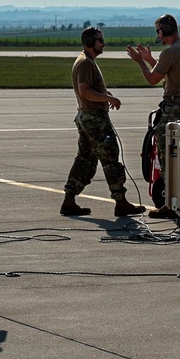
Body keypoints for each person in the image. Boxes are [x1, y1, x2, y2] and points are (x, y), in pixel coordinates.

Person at [61, 27, 146, 218]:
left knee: (85, 159)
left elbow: (89, 89)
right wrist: (108, 99)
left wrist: (104, 94)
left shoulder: (87, 61)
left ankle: (69, 200)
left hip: (87, 117)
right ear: (90, 42)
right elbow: (84, 90)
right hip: (94, 119)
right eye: (100, 40)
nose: (103, 43)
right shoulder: (85, 64)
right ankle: (121, 202)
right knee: (110, 158)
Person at [126, 14, 180, 218]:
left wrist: (141, 62)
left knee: (168, 153)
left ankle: (170, 203)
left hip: (175, 106)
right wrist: (150, 59)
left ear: (164, 31)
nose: (157, 34)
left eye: (158, 30)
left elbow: (152, 79)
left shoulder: (169, 52)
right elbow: (170, 73)